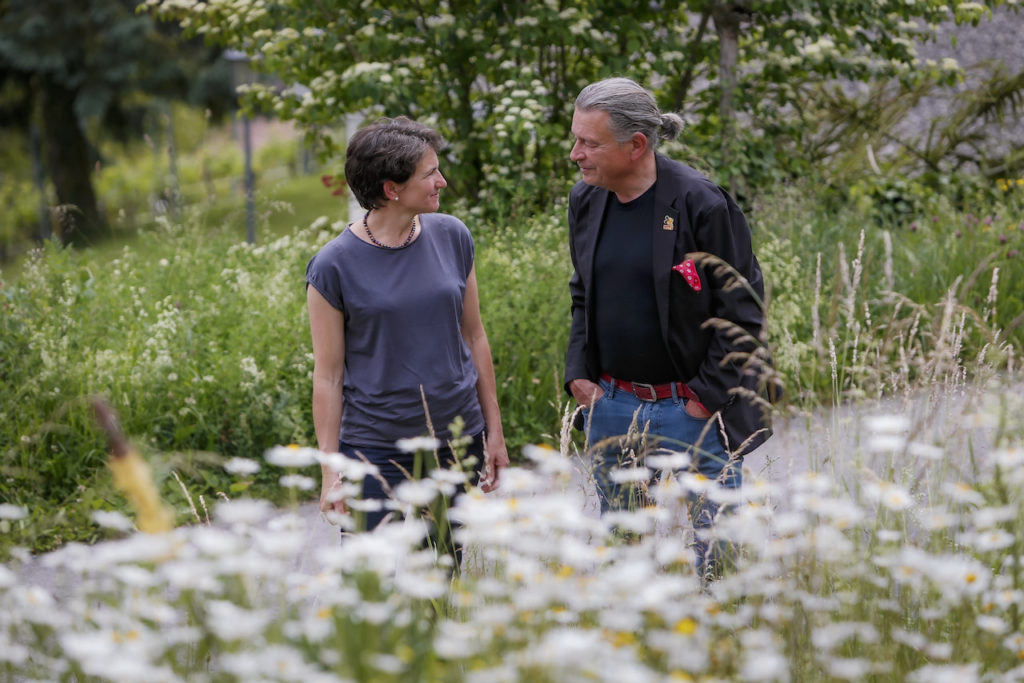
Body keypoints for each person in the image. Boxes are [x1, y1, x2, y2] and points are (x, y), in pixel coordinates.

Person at [563, 77, 774, 578]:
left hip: (692, 410)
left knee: (718, 563)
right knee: (625, 560)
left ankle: (723, 644)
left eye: (589, 143)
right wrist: (579, 374)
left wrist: (704, 398)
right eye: (576, 139)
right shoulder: (586, 201)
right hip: (611, 407)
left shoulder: (702, 204)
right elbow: (582, 293)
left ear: (636, 145)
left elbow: (743, 310)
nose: (576, 154)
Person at [306, 116, 509, 564]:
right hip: (375, 448)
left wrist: (493, 432)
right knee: (375, 588)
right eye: (430, 173)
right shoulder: (333, 266)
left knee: (441, 578)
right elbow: (329, 376)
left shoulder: (452, 235)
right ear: (391, 188)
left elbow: (474, 336)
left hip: (456, 439)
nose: (442, 181)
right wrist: (330, 472)